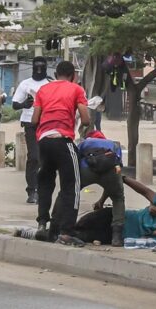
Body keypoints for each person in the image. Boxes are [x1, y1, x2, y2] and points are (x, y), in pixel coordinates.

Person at [31, 60, 90, 246]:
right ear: (73, 75)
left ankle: (42, 223)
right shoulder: (76, 89)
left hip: (44, 141)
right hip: (63, 140)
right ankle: (67, 231)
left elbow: (34, 120)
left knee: (45, 182)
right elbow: (86, 119)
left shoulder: (43, 90)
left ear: (56, 74)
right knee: (71, 185)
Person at [71, 174, 156, 246]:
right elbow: (145, 191)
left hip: (117, 234)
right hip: (118, 218)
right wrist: (124, 178)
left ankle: (64, 235)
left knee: (83, 235)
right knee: (84, 222)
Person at [12, 57, 52, 204]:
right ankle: (32, 190)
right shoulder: (25, 84)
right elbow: (15, 104)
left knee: (46, 158)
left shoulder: (50, 84)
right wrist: (25, 104)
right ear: (33, 68)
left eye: (42, 67)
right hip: (30, 123)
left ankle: (44, 189)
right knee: (34, 157)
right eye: (37, 67)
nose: (39, 70)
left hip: (47, 123)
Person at [79, 130, 125, 246]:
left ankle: (65, 228)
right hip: (111, 171)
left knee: (71, 193)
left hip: (87, 170)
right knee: (118, 198)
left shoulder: (84, 143)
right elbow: (119, 164)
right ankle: (117, 236)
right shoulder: (113, 145)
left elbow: (76, 158)